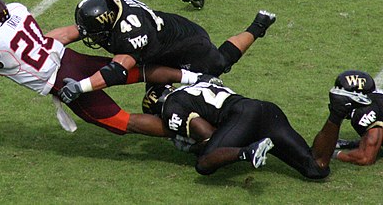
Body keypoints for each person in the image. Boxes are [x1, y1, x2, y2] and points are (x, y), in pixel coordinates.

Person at [0, 0, 215, 137]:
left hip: (62, 81)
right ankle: (195, 77)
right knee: (135, 72)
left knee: (123, 122)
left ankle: (189, 131)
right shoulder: (16, 13)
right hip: (69, 57)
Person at [52, 0, 275, 104]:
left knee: (220, 63)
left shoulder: (131, 31)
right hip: (159, 45)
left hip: (187, 44)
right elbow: (73, 32)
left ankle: (257, 27)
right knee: (153, 103)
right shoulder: (110, 9)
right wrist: (33, 41)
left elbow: (116, 72)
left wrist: (80, 88)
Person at [140, 80, 369, 179]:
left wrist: (194, 148)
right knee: (316, 168)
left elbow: (207, 134)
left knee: (205, 163)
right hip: (264, 110)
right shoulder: (196, 84)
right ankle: (337, 111)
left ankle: (248, 152)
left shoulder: (171, 106)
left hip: (242, 117)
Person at [311, 70, 383, 166]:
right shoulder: (377, 98)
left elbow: (365, 158)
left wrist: (334, 154)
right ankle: (351, 144)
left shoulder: (365, 112)